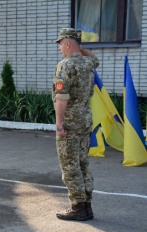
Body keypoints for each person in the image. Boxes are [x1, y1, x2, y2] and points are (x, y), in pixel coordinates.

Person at [52, 28, 99, 221]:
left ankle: (78, 207)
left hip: (70, 123)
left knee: (70, 165)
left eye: (61, 43)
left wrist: (59, 124)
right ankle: (86, 205)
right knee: (82, 163)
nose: (60, 48)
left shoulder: (65, 65)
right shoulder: (88, 63)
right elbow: (94, 58)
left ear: (68, 43)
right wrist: (80, 48)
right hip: (85, 120)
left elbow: (61, 98)